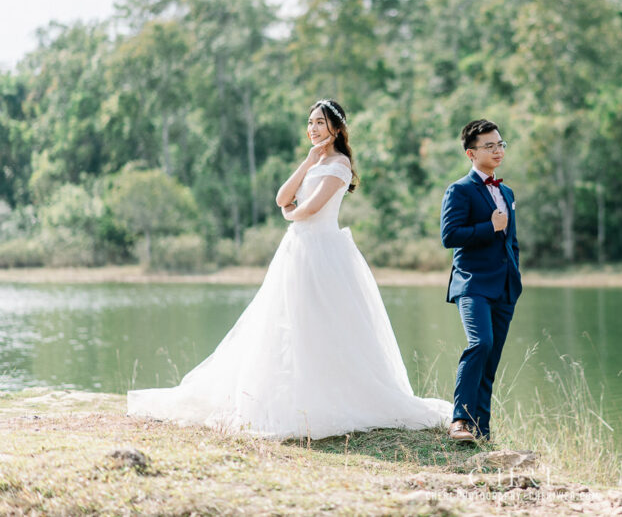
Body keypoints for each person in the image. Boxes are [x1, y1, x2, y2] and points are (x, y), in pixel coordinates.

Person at [127, 99, 450, 439]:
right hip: (296, 251)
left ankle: (329, 397)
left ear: (336, 129)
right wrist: (307, 162)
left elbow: (307, 209)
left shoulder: (340, 165)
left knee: (322, 324)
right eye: (310, 122)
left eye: (320, 123)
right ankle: (286, 394)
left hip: (322, 253)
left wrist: (288, 214)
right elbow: (283, 196)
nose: (313, 129)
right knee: (283, 322)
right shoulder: (315, 162)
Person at [440, 119, 522, 442]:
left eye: (501, 144)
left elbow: (511, 240)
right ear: (471, 153)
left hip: (504, 287)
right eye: (490, 146)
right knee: (480, 343)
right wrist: (490, 226)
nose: (498, 150)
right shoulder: (459, 190)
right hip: (472, 283)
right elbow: (449, 236)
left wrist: (515, 275)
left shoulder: (507, 192)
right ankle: (459, 420)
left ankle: (482, 432)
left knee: (491, 361)